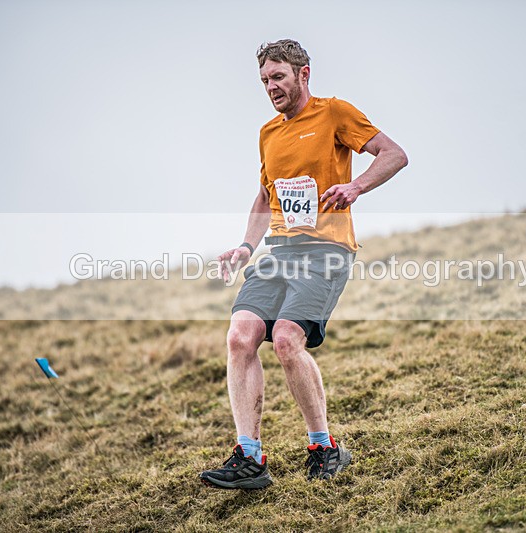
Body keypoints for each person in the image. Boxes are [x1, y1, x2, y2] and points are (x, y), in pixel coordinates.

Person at [199, 39, 408, 489]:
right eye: (264, 81)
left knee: (288, 341)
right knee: (240, 336)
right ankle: (249, 458)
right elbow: (264, 195)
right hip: (279, 252)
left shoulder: (335, 113)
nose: (271, 87)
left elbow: (394, 154)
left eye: (278, 77)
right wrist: (245, 247)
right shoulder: (268, 133)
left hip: (327, 251)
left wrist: (355, 188)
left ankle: (324, 447)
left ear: (303, 74)